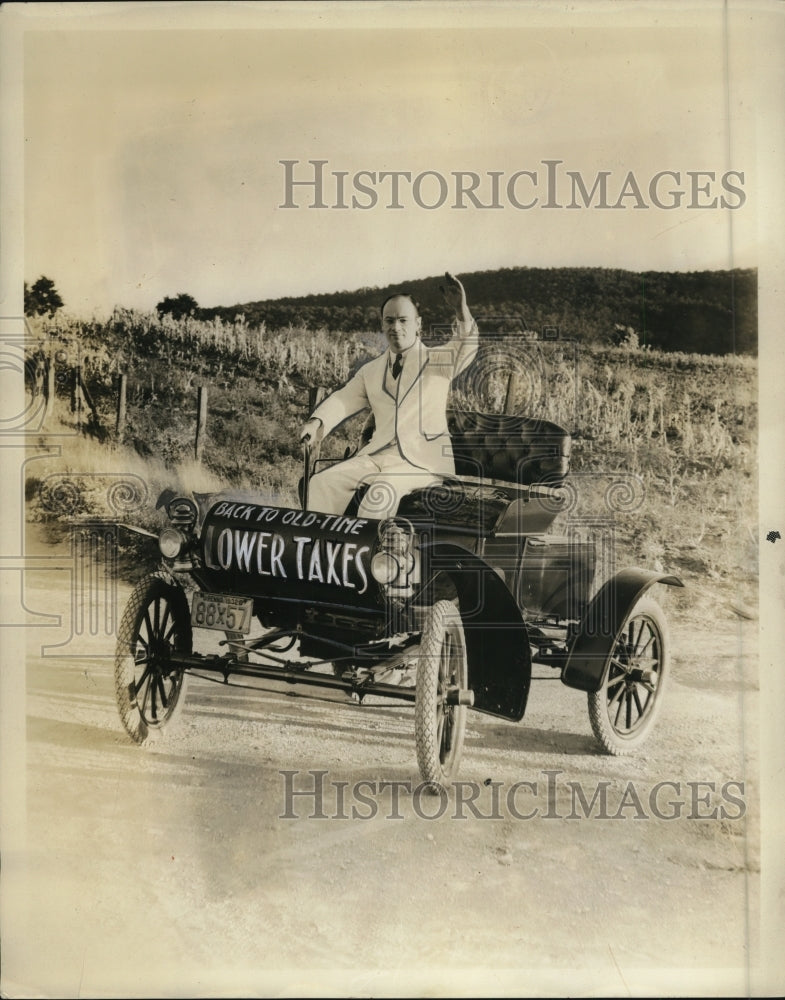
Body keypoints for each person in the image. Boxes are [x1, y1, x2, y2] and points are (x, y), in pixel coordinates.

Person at [299, 271, 479, 519]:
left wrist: (461, 311)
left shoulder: (438, 360)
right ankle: (321, 551)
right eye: (389, 320)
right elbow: (344, 399)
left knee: (379, 493)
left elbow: (465, 349)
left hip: (423, 463)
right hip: (377, 457)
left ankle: (368, 557)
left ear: (418, 324)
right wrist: (317, 422)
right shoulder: (371, 371)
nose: (396, 327)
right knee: (322, 483)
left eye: (404, 320)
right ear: (382, 324)